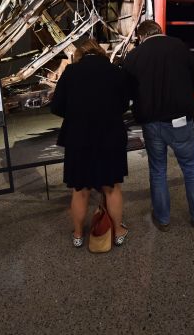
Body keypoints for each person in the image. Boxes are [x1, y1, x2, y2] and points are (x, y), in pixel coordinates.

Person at [123, 20, 194, 231]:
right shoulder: (180, 47)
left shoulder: (133, 56)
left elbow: (127, 93)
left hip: (151, 123)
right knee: (190, 168)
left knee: (158, 170)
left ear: (140, 36)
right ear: (160, 31)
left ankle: (162, 218)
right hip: (180, 122)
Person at [51, 39, 130, 248]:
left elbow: (56, 106)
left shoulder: (71, 72)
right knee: (111, 187)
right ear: (99, 53)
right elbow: (124, 104)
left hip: (78, 138)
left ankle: (78, 234)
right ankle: (118, 231)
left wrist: (76, 113)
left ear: (80, 54)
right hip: (110, 136)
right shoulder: (116, 71)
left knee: (80, 189)